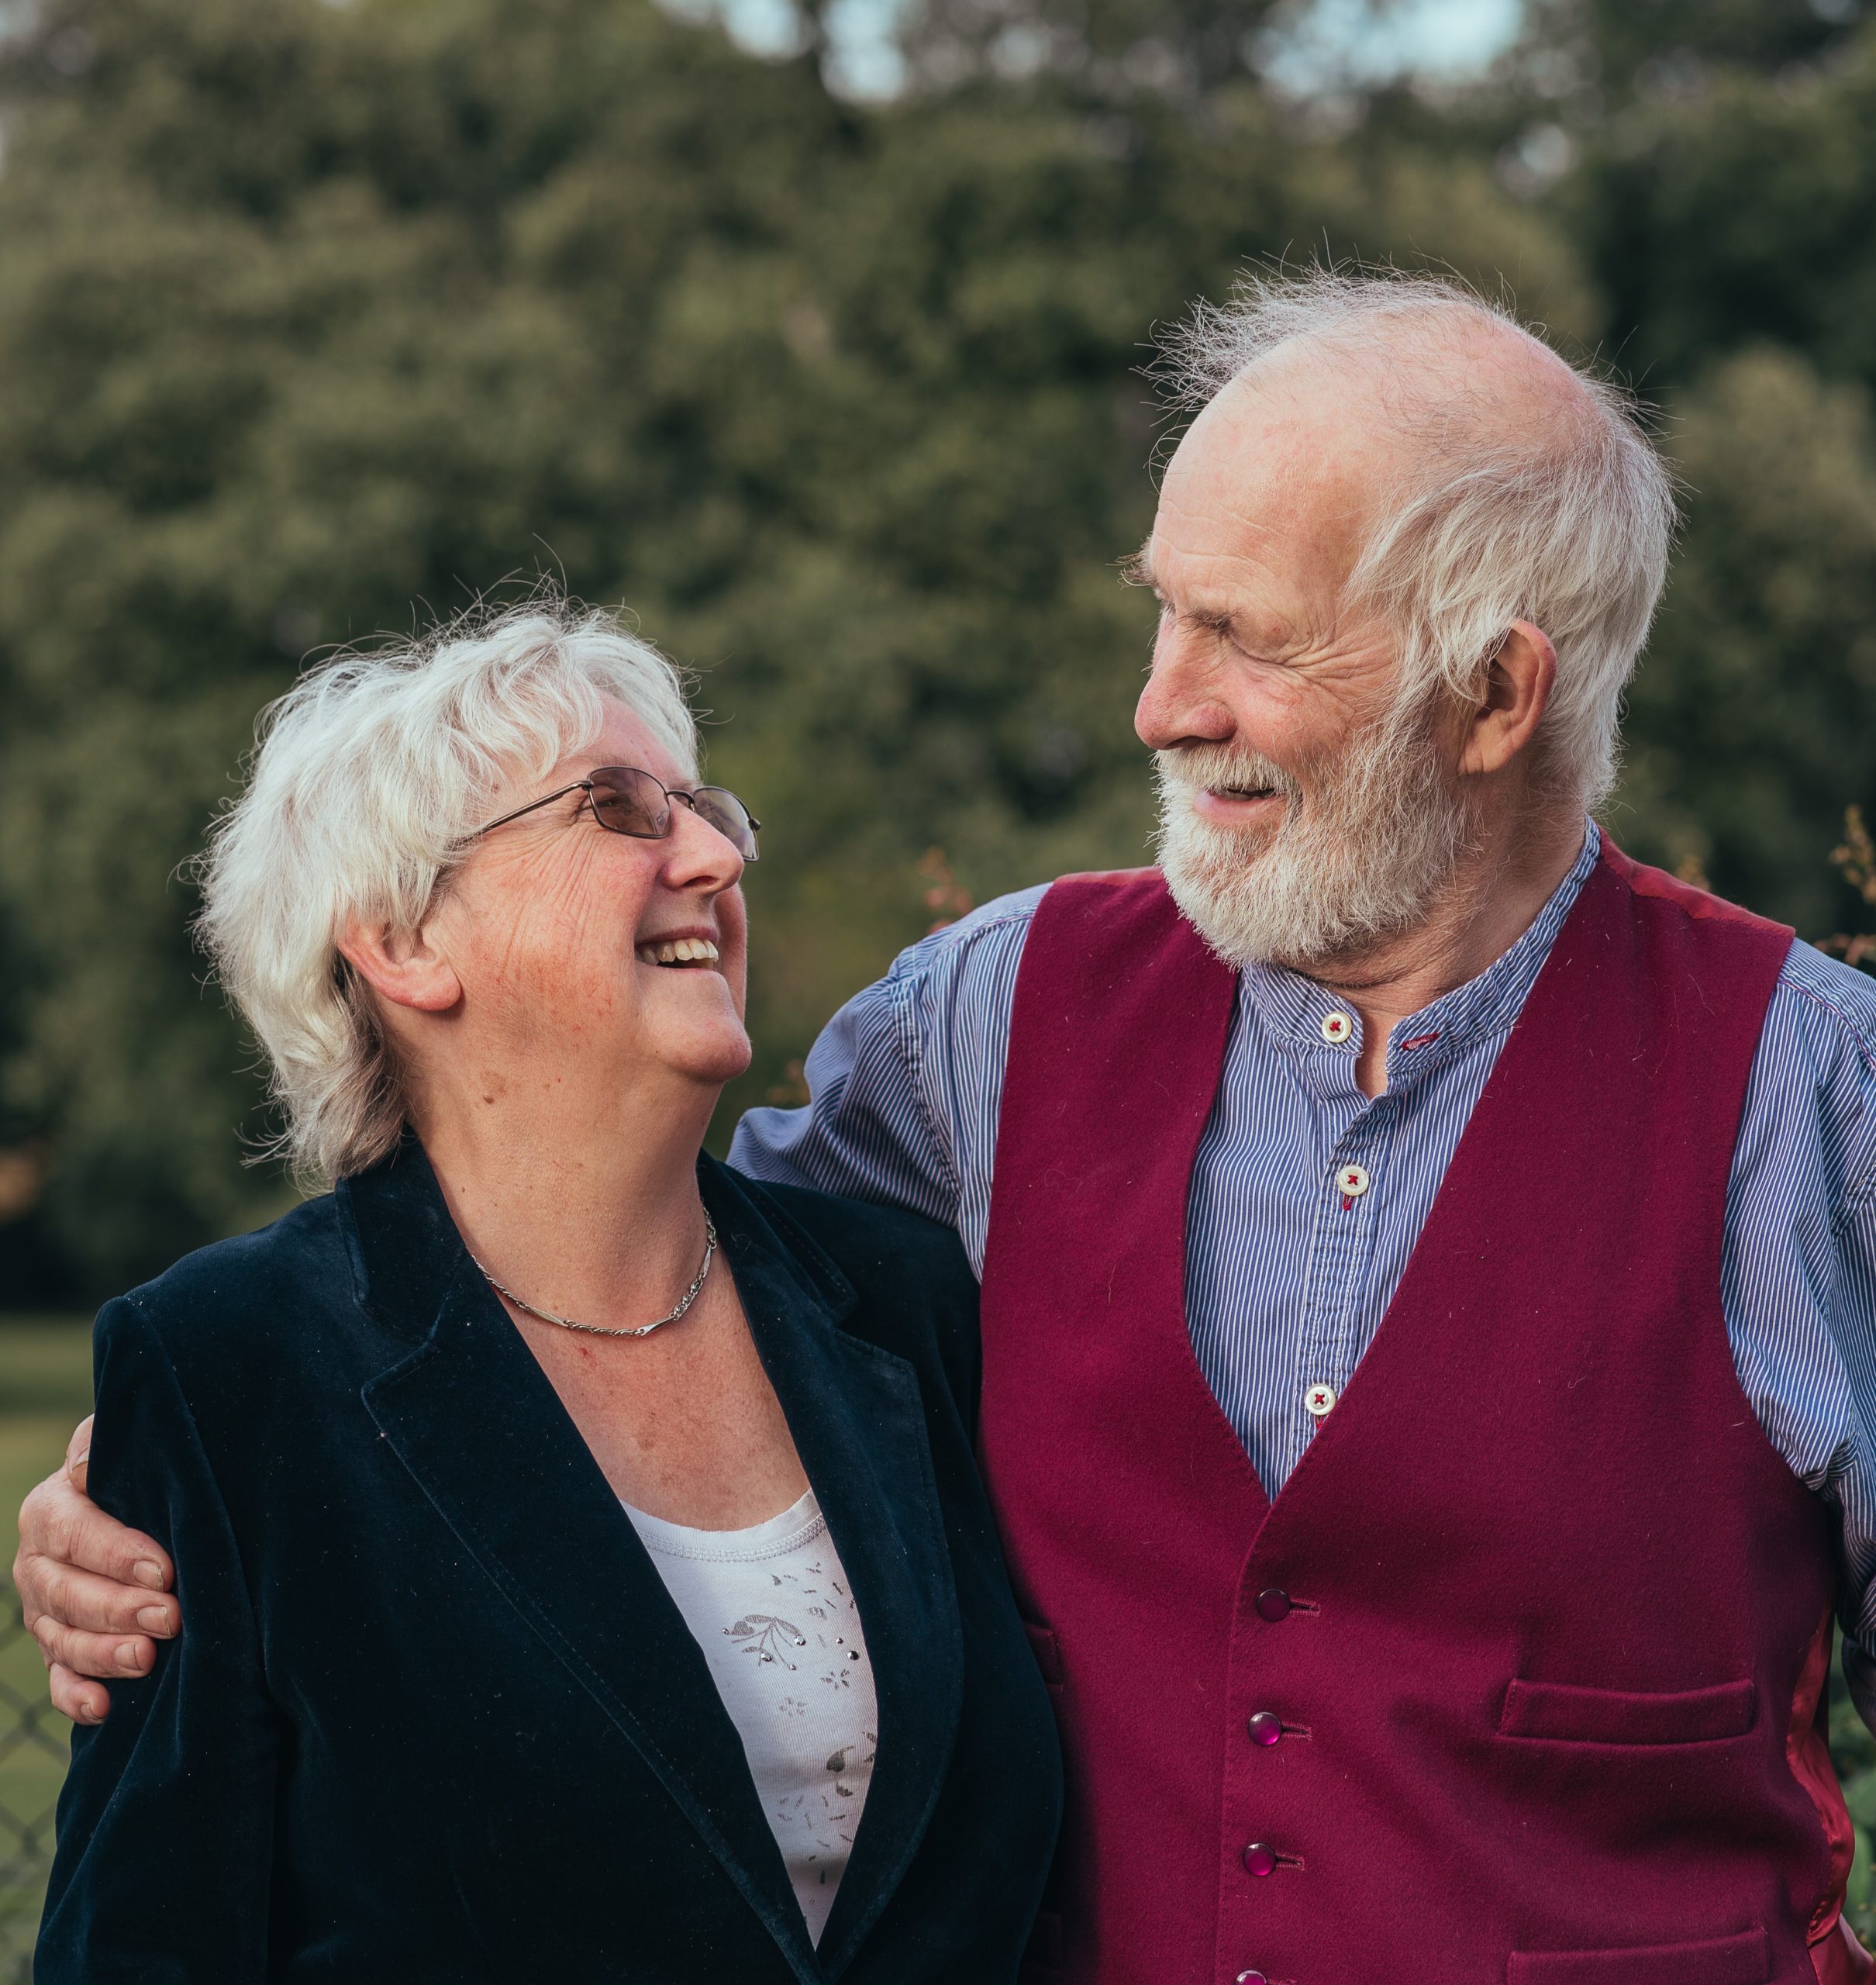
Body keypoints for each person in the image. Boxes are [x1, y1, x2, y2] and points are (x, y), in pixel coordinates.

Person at [23, 268, 1876, 1983]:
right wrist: (168, 1479)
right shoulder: (984, 1028)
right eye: (1163, 606)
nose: (1159, 701)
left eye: (1242, 635)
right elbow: (571, 1288)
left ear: (1495, 695)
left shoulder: (1813, 1095)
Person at [23, 602, 1061, 1983]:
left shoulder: (902, 1300)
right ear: (403, 941)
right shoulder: (231, 1370)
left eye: (705, 809)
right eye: (620, 813)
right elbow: (145, 1944)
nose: (713, 852)